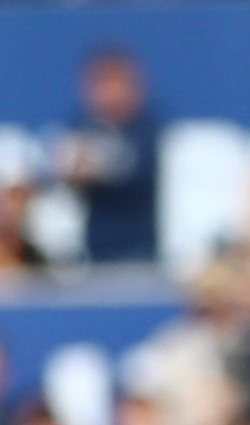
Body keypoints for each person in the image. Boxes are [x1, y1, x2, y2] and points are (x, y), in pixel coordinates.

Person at [52, 48, 162, 267]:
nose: (111, 93)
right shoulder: (79, 125)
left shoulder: (150, 130)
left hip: (142, 252)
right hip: (92, 254)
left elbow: (131, 168)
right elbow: (66, 170)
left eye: (117, 83)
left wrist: (95, 163)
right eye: (102, 84)